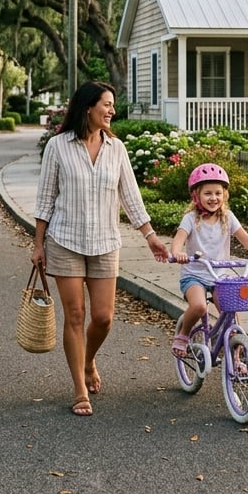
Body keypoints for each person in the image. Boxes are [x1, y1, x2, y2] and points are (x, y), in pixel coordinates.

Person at [33, 81, 168, 417]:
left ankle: (89, 359)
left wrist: (150, 235)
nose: (111, 111)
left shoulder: (116, 149)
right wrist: (38, 243)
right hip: (65, 240)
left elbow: (131, 196)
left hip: (106, 242)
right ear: (88, 108)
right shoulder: (58, 147)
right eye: (106, 104)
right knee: (75, 315)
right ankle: (79, 387)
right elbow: (46, 198)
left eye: (112, 105)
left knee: (104, 318)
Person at [169, 163, 248, 358]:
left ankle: (237, 359)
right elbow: (178, 241)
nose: (213, 198)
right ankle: (183, 335)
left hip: (220, 276)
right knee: (199, 306)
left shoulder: (228, 217)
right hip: (195, 275)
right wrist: (177, 254)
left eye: (218, 193)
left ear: (224, 195)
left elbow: (244, 238)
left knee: (232, 313)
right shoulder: (190, 219)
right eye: (207, 193)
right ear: (196, 196)